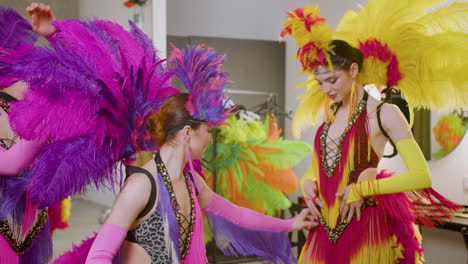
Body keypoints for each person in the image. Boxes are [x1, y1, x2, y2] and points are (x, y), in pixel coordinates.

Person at [84, 45, 315, 264]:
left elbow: (237, 215)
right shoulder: (141, 185)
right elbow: (99, 255)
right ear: (188, 133)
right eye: (208, 131)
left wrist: (290, 224)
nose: (210, 138)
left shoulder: (193, 183)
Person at [281, 2, 466, 263]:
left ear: (353, 70)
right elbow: (318, 169)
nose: (326, 89)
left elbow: (420, 176)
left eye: (332, 80)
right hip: (323, 231)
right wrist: (307, 183)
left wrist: (363, 188)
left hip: (365, 228)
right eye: (320, 83)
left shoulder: (385, 113)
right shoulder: (329, 118)